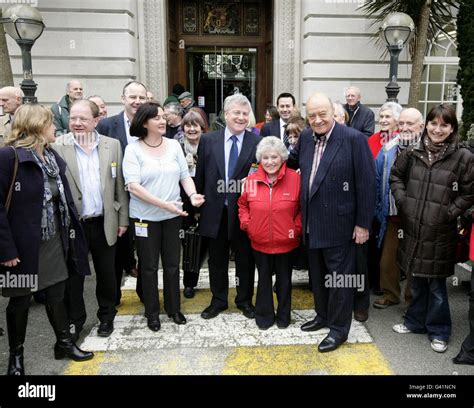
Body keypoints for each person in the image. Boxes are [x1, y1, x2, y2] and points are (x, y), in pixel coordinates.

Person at [0, 104, 94, 375]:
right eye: (51, 123)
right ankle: (15, 359)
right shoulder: (9, 157)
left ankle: (64, 343)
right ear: (37, 127)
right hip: (21, 247)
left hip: (53, 240)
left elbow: (61, 201)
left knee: (56, 293)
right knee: (20, 300)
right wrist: (6, 249)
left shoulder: (50, 156)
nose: (56, 128)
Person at [287, 92, 375, 353]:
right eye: (311, 115)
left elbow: (367, 184)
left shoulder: (354, 140)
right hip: (312, 224)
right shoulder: (305, 137)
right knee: (317, 276)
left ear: (333, 113)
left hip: (341, 225)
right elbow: (290, 162)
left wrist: (363, 224)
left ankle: (338, 330)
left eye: (322, 114)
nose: (317, 120)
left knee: (339, 281)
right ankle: (322, 316)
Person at [390, 104, 473, 353]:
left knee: (436, 286)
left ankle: (439, 330)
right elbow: (395, 176)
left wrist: (449, 213)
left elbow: (469, 193)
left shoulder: (463, 157)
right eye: (433, 123)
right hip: (413, 227)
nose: (437, 129)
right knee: (416, 279)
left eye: (444, 125)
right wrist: (404, 201)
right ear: (426, 124)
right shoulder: (413, 150)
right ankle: (415, 322)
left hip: (440, 231)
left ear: (452, 128)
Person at [123, 102, 205, 331]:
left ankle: (173, 308)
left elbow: (184, 175)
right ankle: (152, 313)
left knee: (172, 265)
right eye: (157, 118)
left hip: (172, 216)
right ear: (144, 122)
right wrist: (165, 205)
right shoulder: (133, 149)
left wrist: (193, 194)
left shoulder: (173, 146)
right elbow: (134, 187)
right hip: (144, 218)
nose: (163, 120)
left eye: (163, 117)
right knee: (148, 267)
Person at [53, 100, 129, 340]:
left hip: (104, 221)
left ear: (96, 121)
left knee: (107, 274)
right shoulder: (58, 146)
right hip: (74, 225)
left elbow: (119, 187)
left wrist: (123, 220)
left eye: (83, 119)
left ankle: (107, 316)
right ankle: (76, 320)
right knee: (74, 277)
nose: (76, 123)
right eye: (73, 118)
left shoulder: (112, 145)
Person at [195, 94, 262, 320]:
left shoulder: (256, 142)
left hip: (244, 213)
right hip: (215, 211)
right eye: (236, 113)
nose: (241, 118)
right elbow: (201, 175)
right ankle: (219, 300)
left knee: (245, 259)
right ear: (226, 115)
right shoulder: (208, 140)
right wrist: (196, 205)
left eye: (245, 114)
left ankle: (244, 300)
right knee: (217, 260)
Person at [238, 136, 301, 329]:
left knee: (284, 281)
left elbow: (302, 209)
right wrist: (248, 225)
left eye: (274, 157)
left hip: (287, 241)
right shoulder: (251, 180)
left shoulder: (295, 178)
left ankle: (283, 317)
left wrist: (295, 228)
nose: (270, 162)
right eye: (265, 158)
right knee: (263, 280)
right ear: (260, 160)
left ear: (282, 157)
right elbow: (242, 205)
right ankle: (264, 316)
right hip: (260, 241)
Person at [97, 81, 148, 304]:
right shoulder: (107, 126)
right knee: (118, 249)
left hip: (147, 199)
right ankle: (113, 298)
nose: (137, 101)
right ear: (123, 99)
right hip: (118, 199)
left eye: (141, 98)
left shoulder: (152, 123)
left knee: (147, 249)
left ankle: (145, 293)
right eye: (132, 97)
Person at [372, 108, 424, 310]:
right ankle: (390, 295)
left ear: (421, 126)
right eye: (401, 123)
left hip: (418, 217)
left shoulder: (427, 150)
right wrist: (379, 209)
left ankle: (412, 302)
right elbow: (377, 180)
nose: (404, 128)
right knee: (388, 261)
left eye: (410, 124)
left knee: (414, 262)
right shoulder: (388, 149)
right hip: (393, 216)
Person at [179, 110, 208, 299]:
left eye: (195, 125)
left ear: (202, 127)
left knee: (203, 246)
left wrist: (201, 209)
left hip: (206, 205)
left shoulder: (209, 146)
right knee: (189, 245)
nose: (191, 129)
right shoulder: (176, 148)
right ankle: (189, 283)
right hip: (182, 206)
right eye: (188, 125)